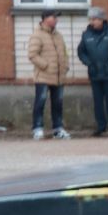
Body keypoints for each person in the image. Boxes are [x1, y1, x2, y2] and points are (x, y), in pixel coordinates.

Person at [78, 5, 108, 136]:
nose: (92, 22)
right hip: (95, 73)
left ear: (102, 20)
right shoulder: (86, 34)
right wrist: (88, 63)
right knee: (98, 102)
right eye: (91, 19)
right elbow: (81, 52)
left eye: (95, 19)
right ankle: (101, 126)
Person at [25, 12, 71, 141]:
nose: (56, 20)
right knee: (40, 101)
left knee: (58, 103)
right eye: (54, 17)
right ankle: (38, 129)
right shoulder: (37, 35)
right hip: (43, 76)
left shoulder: (58, 36)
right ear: (45, 19)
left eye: (57, 17)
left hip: (58, 76)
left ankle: (58, 129)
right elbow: (32, 54)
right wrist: (46, 66)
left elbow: (65, 53)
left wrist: (65, 66)